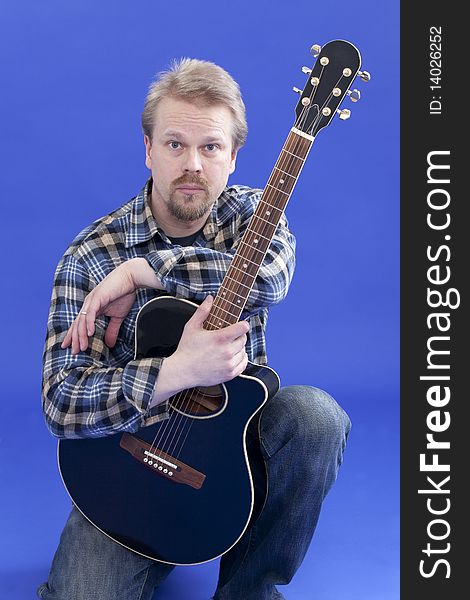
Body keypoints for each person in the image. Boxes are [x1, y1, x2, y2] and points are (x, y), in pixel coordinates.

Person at [38, 58, 351, 600]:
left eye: (210, 147)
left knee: (316, 417)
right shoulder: (91, 255)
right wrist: (175, 372)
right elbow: (62, 403)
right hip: (127, 465)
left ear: (233, 158)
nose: (192, 165)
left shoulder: (255, 216)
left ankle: (248, 591)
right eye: (175, 144)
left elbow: (269, 278)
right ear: (148, 150)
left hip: (230, 443)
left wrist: (150, 270)